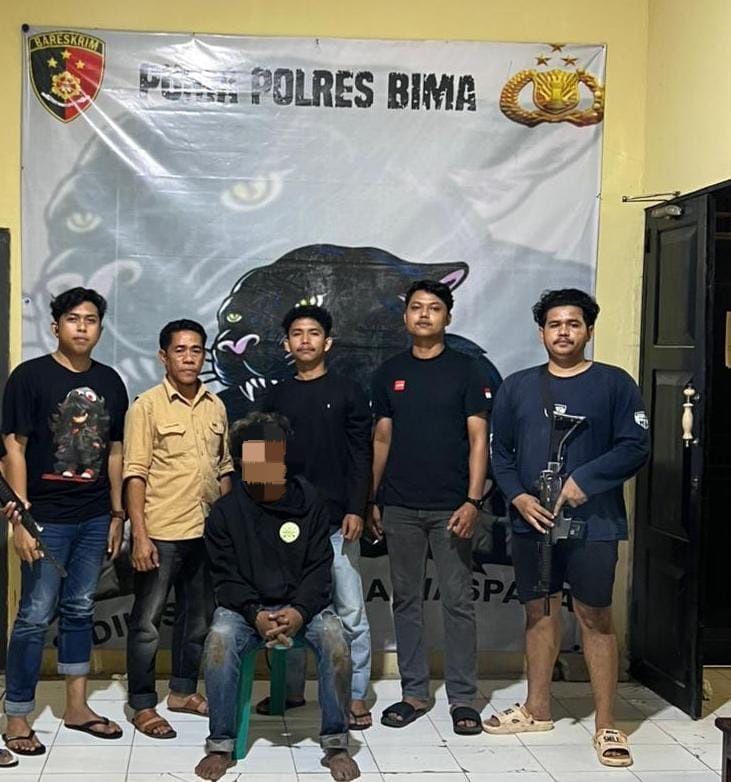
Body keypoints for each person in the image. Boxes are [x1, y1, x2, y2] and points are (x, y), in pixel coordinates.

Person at [487, 288, 650, 768]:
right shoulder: (517, 386)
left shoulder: (614, 383)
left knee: (594, 616)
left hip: (595, 523)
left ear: (589, 330)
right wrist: (517, 497)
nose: (563, 332)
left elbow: (635, 445)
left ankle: (607, 724)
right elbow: (500, 453)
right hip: (532, 521)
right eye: (554, 324)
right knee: (538, 612)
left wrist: (586, 481)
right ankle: (537, 709)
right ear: (541, 333)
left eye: (573, 324)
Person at [195, 412, 359, 782]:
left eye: (273, 454)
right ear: (241, 462)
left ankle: (336, 742)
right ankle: (221, 743)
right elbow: (225, 578)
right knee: (220, 639)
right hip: (244, 610)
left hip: (303, 606)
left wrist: (299, 611)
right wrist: (255, 613)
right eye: (257, 456)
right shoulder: (224, 513)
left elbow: (319, 569)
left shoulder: (309, 501)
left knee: (335, 639)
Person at [1, 287, 128, 755]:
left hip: (94, 517)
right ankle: (17, 716)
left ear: (100, 329)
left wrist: (117, 513)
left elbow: (115, 452)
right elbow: (12, 448)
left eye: (90, 320)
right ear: (56, 326)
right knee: (34, 616)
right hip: (44, 519)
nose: (82, 327)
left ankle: (77, 708)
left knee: (79, 610)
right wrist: (20, 519)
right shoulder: (29, 377)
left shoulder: (111, 381)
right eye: (73, 319)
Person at [369, 279, 489, 735]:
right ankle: (414, 692)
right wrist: (372, 497)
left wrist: (473, 500)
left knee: (458, 602)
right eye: (416, 307)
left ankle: (463, 698)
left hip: (452, 507)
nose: (424, 314)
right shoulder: (389, 372)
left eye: (434, 308)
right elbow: (382, 439)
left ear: (447, 317)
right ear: (405, 317)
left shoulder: (467, 370)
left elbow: (478, 440)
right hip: (399, 505)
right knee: (406, 601)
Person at [260, 304, 373, 729]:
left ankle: (355, 694)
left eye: (313, 333)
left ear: (327, 342)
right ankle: (288, 691)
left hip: (337, 523)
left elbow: (361, 456)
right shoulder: (274, 396)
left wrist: (356, 508)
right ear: (286, 343)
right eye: (296, 333)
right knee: (286, 609)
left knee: (350, 610)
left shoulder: (348, 391)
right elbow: (262, 460)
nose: (304, 340)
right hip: (285, 524)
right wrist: (265, 515)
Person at [123, 319, 233, 739]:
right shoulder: (147, 406)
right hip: (161, 531)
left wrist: (225, 526)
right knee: (147, 623)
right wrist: (140, 534)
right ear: (163, 356)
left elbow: (225, 468)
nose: (189, 358)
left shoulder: (216, 405)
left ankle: (183, 692)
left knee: (199, 619)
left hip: (205, 532)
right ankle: (142, 704)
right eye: (180, 350)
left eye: (196, 350)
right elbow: (134, 473)